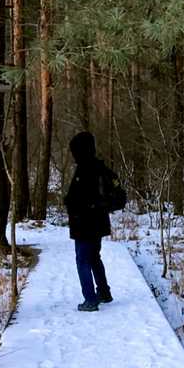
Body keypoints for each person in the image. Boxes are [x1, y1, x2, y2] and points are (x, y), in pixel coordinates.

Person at [64, 131, 113, 312]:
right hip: (98, 222)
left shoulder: (84, 169)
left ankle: (90, 299)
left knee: (82, 260)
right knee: (94, 257)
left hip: (85, 225)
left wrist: (68, 202)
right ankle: (104, 293)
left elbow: (79, 199)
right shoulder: (99, 167)